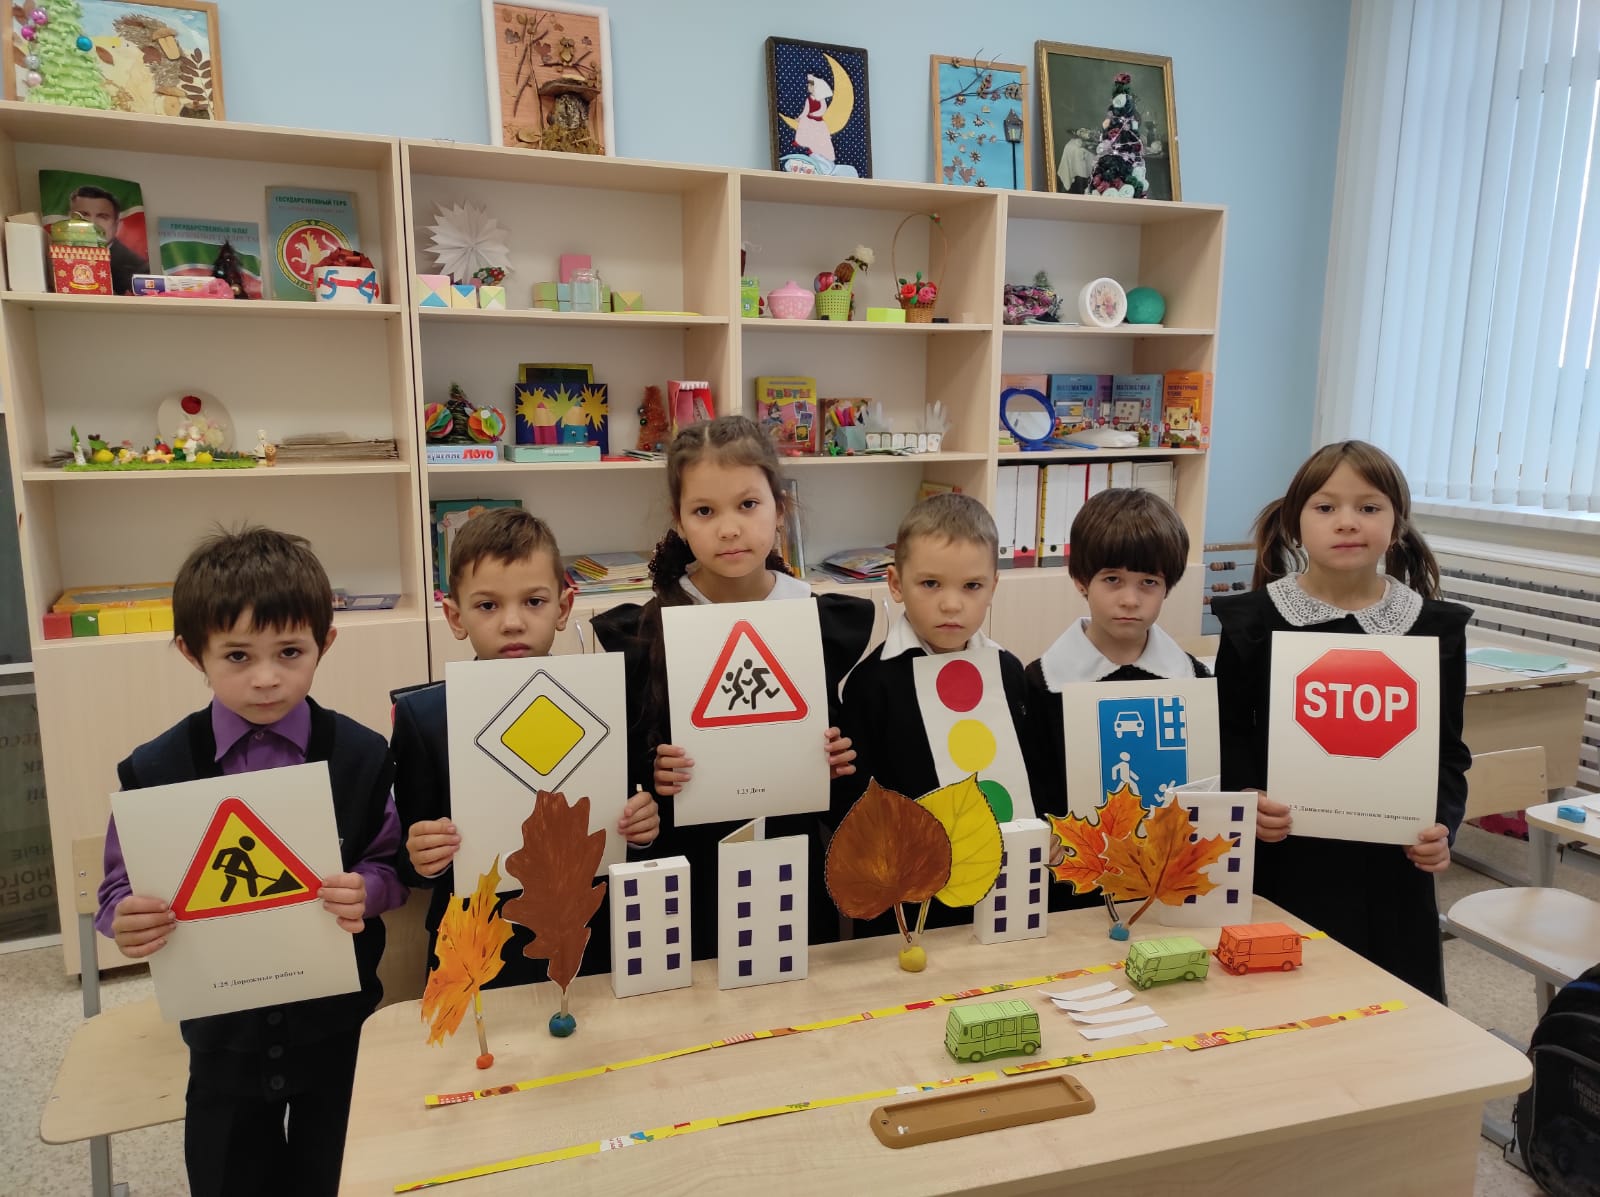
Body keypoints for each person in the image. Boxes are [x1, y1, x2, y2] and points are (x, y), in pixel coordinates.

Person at [95, 526, 405, 1196]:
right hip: (221, 1043)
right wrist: (126, 916)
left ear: (325, 643)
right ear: (192, 652)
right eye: (237, 655)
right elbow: (118, 885)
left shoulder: (360, 757)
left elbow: (387, 862)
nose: (266, 677)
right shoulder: (155, 771)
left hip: (339, 1033)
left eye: (290, 651)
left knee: (346, 1177)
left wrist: (369, 890)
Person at [593, 415, 874, 957]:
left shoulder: (813, 619)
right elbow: (626, 772)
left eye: (748, 504)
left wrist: (836, 760)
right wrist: (652, 774)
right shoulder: (648, 630)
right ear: (679, 521)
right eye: (705, 511)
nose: (728, 528)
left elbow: (840, 764)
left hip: (790, 858)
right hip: (688, 872)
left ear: (779, 508)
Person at [1212, 440, 1469, 1001]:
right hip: (1284, 858)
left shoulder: (1433, 630)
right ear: (1295, 523)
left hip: (1392, 870)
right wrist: (1245, 798)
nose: (1347, 522)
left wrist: (1443, 826)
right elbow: (1227, 734)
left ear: (1397, 524)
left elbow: (1450, 752)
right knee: (1278, 1005)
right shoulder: (1252, 622)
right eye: (1326, 507)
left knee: (1393, 1014)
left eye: (1369, 507)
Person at [392, 508, 659, 984]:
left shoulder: (607, 702)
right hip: (478, 948)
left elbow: (631, 820)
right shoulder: (425, 718)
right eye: (487, 606)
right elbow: (409, 856)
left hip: (594, 938)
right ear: (454, 616)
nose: (512, 622)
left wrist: (642, 828)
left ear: (563, 607)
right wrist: (422, 857)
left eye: (534, 601)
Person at [838, 492, 1045, 937]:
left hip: (1002, 889)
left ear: (993, 587)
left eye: (971, 586)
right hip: (905, 901)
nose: (952, 604)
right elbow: (856, 800)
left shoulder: (1009, 672)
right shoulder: (870, 683)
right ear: (896, 584)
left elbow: (1031, 773)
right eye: (931, 584)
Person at [1025, 487, 1208, 912]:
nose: (1130, 599)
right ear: (1080, 581)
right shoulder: (1039, 684)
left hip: (1169, 889)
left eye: (1149, 583)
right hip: (1070, 890)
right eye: (1112, 580)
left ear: (1168, 587)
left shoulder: (1195, 681)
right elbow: (1033, 788)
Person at [68, 184, 148, 295]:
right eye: (84, 215)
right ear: (70, 219)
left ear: (116, 224)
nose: (92, 223)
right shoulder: (53, 257)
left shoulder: (139, 269)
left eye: (102, 216)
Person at [794, 72, 836, 163]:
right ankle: (812, 152)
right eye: (808, 85)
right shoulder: (808, 99)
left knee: (820, 138)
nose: (808, 87)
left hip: (818, 123)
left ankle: (824, 155)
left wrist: (815, 114)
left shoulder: (821, 99)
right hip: (809, 121)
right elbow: (806, 110)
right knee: (810, 137)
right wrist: (800, 117)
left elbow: (823, 109)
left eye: (810, 86)